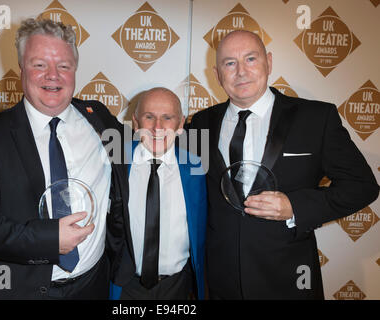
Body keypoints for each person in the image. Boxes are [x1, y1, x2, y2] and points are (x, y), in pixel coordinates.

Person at [188, 30, 379, 299]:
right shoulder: (200, 123)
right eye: (229, 63)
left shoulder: (316, 118)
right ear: (217, 74)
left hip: (289, 280)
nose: (241, 71)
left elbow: (362, 186)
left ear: (269, 62)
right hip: (220, 281)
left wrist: (294, 207)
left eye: (250, 59)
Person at [0, 18, 127, 299]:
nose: (52, 75)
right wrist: (47, 239)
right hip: (20, 290)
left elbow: (146, 145)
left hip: (93, 284)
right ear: (21, 69)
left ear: (75, 70)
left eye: (63, 66)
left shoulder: (99, 119)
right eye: (39, 64)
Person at [109, 87, 207, 300]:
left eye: (167, 118)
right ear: (135, 122)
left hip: (178, 287)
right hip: (126, 286)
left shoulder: (197, 168)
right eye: (149, 117)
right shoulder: (114, 163)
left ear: (181, 124)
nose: (157, 127)